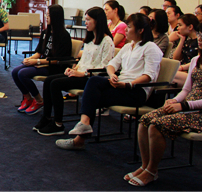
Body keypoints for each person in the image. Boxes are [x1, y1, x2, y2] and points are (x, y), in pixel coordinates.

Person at [127, 19, 202, 187]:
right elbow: (186, 90)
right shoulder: (196, 60)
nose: (200, 39)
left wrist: (183, 105)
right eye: (200, 35)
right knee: (144, 120)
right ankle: (145, 166)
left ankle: (151, 170)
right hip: (188, 107)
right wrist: (175, 100)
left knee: (156, 125)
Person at [55, 13, 162, 151]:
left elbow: (149, 76)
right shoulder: (128, 47)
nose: (126, 30)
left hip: (136, 91)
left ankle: (80, 138)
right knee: (94, 81)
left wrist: (128, 84)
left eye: (129, 27)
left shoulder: (151, 47)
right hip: (121, 85)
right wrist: (112, 75)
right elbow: (111, 65)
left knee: (93, 96)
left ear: (140, 30)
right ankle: (84, 124)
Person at [34, 7, 114, 135]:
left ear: (98, 21)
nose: (85, 23)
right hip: (80, 74)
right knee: (49, 80)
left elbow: (104, 67)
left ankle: (58, 124)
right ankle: (46, 117)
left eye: (88, 20)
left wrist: (82, 73)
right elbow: (83, 60)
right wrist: (74, 68)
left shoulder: (107, 41)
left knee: (55, 84)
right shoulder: (90, 39)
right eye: (85, 20)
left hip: (91, 79)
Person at [12, 4, 72, 115]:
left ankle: (39, 100)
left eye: (48, 15)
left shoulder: (64, 36)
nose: (46, 17)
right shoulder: (46, 32)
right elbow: (39, 52)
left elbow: (58, 60)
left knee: (22, 74)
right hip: (43, 63)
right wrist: (30, 59)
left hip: (54, 67)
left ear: (55, 17)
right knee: (15, 72)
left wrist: (37, 61)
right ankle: (28, 98)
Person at [170, 14, 200, 88]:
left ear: (190, 27)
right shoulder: (188, 41)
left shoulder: (200, 42)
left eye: (180, 25)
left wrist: (181, 68)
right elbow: (176, 58)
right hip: (183, 71)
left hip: (192, 72)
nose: (178, 28)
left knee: (168, 74)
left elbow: (198, 61)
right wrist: (182, 40)